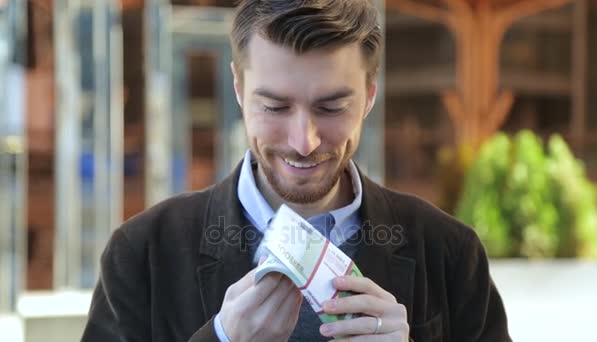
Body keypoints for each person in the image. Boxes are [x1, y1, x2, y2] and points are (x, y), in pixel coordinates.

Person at [82, 0, 511, 341]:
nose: (302, 141)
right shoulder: (141, 253)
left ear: (369, 96)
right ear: (238, 88)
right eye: (274, 107)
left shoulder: (451, 252)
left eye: (331, 107)